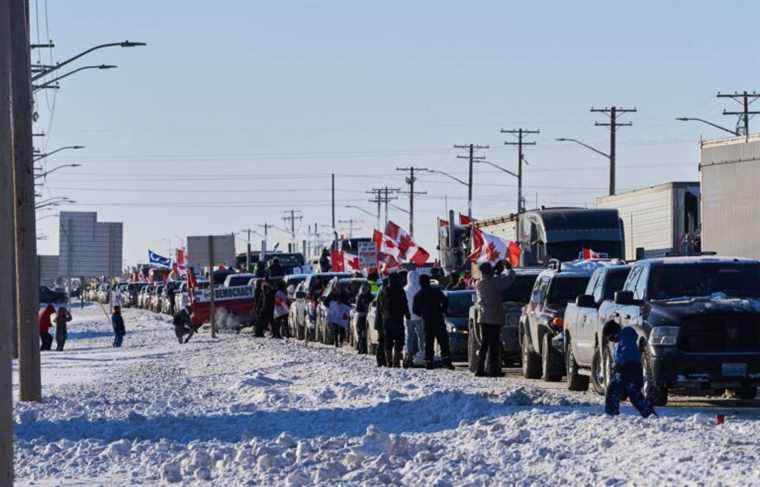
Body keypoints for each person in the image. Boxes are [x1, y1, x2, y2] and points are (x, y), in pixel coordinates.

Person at [474, 260, 515, 377]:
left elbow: (495, 280)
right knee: (494, 346)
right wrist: (509, 269)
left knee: (484, 344)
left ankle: (480, 368)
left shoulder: (479, 283)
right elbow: (508, 280)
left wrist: (496, 272)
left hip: (483, 317)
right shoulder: (494, 281)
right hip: (494, 318)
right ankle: (493, 370)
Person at [605, 327, 656, 417]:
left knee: (612, 390)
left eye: (611, 338)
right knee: (634, 395)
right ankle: (648, 412)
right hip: (633, 370)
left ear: (614, 333)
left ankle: (611, 413)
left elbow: (627, 353)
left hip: (627, 370)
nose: (612, 341)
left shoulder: (625, 337)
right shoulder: (624, 338)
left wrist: (619, 365)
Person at [413, 274, 454, 369]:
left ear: (420, 283)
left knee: (428, 341)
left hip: (427, 320)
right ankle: (447, 361)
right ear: (428, 281)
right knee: (443, 341)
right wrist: (443, 310)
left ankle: (429, 361)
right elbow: (445, 300)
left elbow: (415, 309)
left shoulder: (418, 294)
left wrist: (422, 314)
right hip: (438, 318)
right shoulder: (436, 291)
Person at [377, 272, 410, 367]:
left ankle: (389, 361)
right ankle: (396, 361)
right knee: (399, 340)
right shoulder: (400, 291)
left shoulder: (384, 291)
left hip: (386, 320)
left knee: (388, 341)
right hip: (398, 319)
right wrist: (407, 315)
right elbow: (404, 304)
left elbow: (380, 306)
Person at [403, 266, 425, 368]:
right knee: (421, 336)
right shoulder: (420, 288)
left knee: (409, 336)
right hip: (419, 316)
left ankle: (409, 353)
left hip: (408, 317)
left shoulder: (405, 289)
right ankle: (422, 352)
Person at [355, 282, 373, 355]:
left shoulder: (371, 297)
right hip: (361, 317)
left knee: (365, 334)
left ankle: (365, 349)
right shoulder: (360, 297)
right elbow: (357, 308)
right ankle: (360, 348)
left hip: (368, 317)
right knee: (360, 333)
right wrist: (363, 310)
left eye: (367, 288)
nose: (366, 289)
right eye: (365, 288)